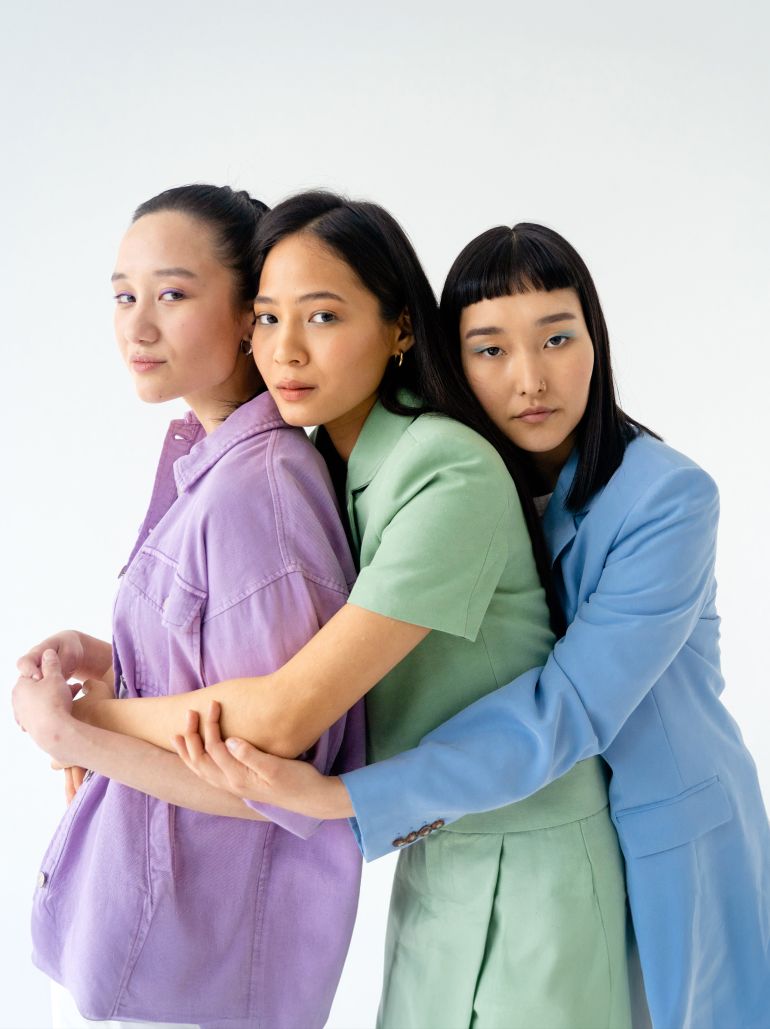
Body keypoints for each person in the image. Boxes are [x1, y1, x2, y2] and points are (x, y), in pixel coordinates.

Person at [50, 192, 635, 1029]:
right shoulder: (325, 457)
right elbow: (257, 662)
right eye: (267, 317)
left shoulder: (449, 474)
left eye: (322, 316)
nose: (285, 349)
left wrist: (85, 722)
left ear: (402, 328)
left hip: (537, 862)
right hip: (435, 858)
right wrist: (113, 664)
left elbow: (285, 712)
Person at [194, 221, 770, 1029]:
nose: (530, 378)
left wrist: (345, 798)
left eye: (557, 338)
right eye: (490, 348)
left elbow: (569, 706)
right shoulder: (442, 478)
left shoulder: (667, 499)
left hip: (667, 835)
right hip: (511, 833)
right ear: (452, 360)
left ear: (596, 343)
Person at [12, 184, 364, 1029]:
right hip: (140, 945)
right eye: (123, 296)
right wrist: (118, 660)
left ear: (249, 316)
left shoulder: (258, 492)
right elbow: (216, 683)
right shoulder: (210, 461)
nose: (136, 327)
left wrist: (72, 732)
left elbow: (270, 783)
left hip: (191, 973)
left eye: (170, 294)